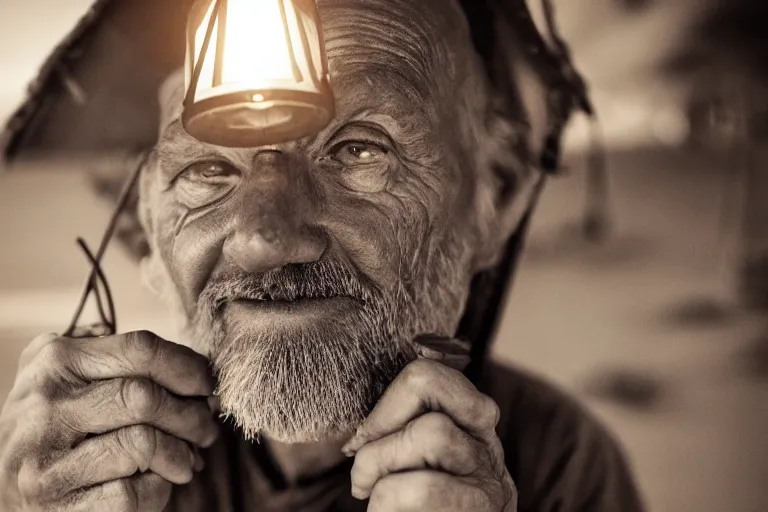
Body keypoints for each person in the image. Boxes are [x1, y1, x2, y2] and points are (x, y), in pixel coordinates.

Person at [0, 0, 645, 510]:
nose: (263, 240)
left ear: (495, 198)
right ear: (146, 219)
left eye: (359, 150)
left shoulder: (557, 465)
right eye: (208, 168)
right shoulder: (81, 470)